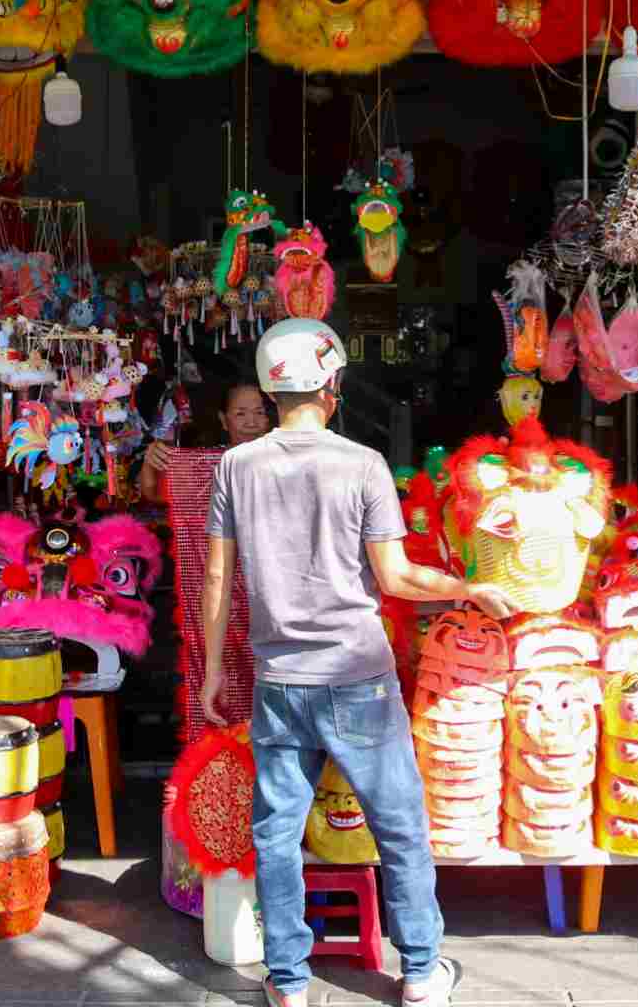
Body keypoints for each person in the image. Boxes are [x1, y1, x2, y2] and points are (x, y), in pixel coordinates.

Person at [199, 318, 516, 1007]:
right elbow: (397, 578)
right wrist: (470, 589)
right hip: (357, 678)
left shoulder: (235, 465)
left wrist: (211, 673)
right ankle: (423, 972)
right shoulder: (363, 464)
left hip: (279, 683)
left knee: (276, 835)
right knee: (399, 824)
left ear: (272, 391)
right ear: (332, 386)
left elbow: (218, 581)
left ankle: (287, 982)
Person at [136, 380, 274, 502]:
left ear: (268, 420)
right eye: (240, 413)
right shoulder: (203, 464)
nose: (251, 423)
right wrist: (150, 463)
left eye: (259, 412)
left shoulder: (283, 461)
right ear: (224, 419)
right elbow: (154, 494)